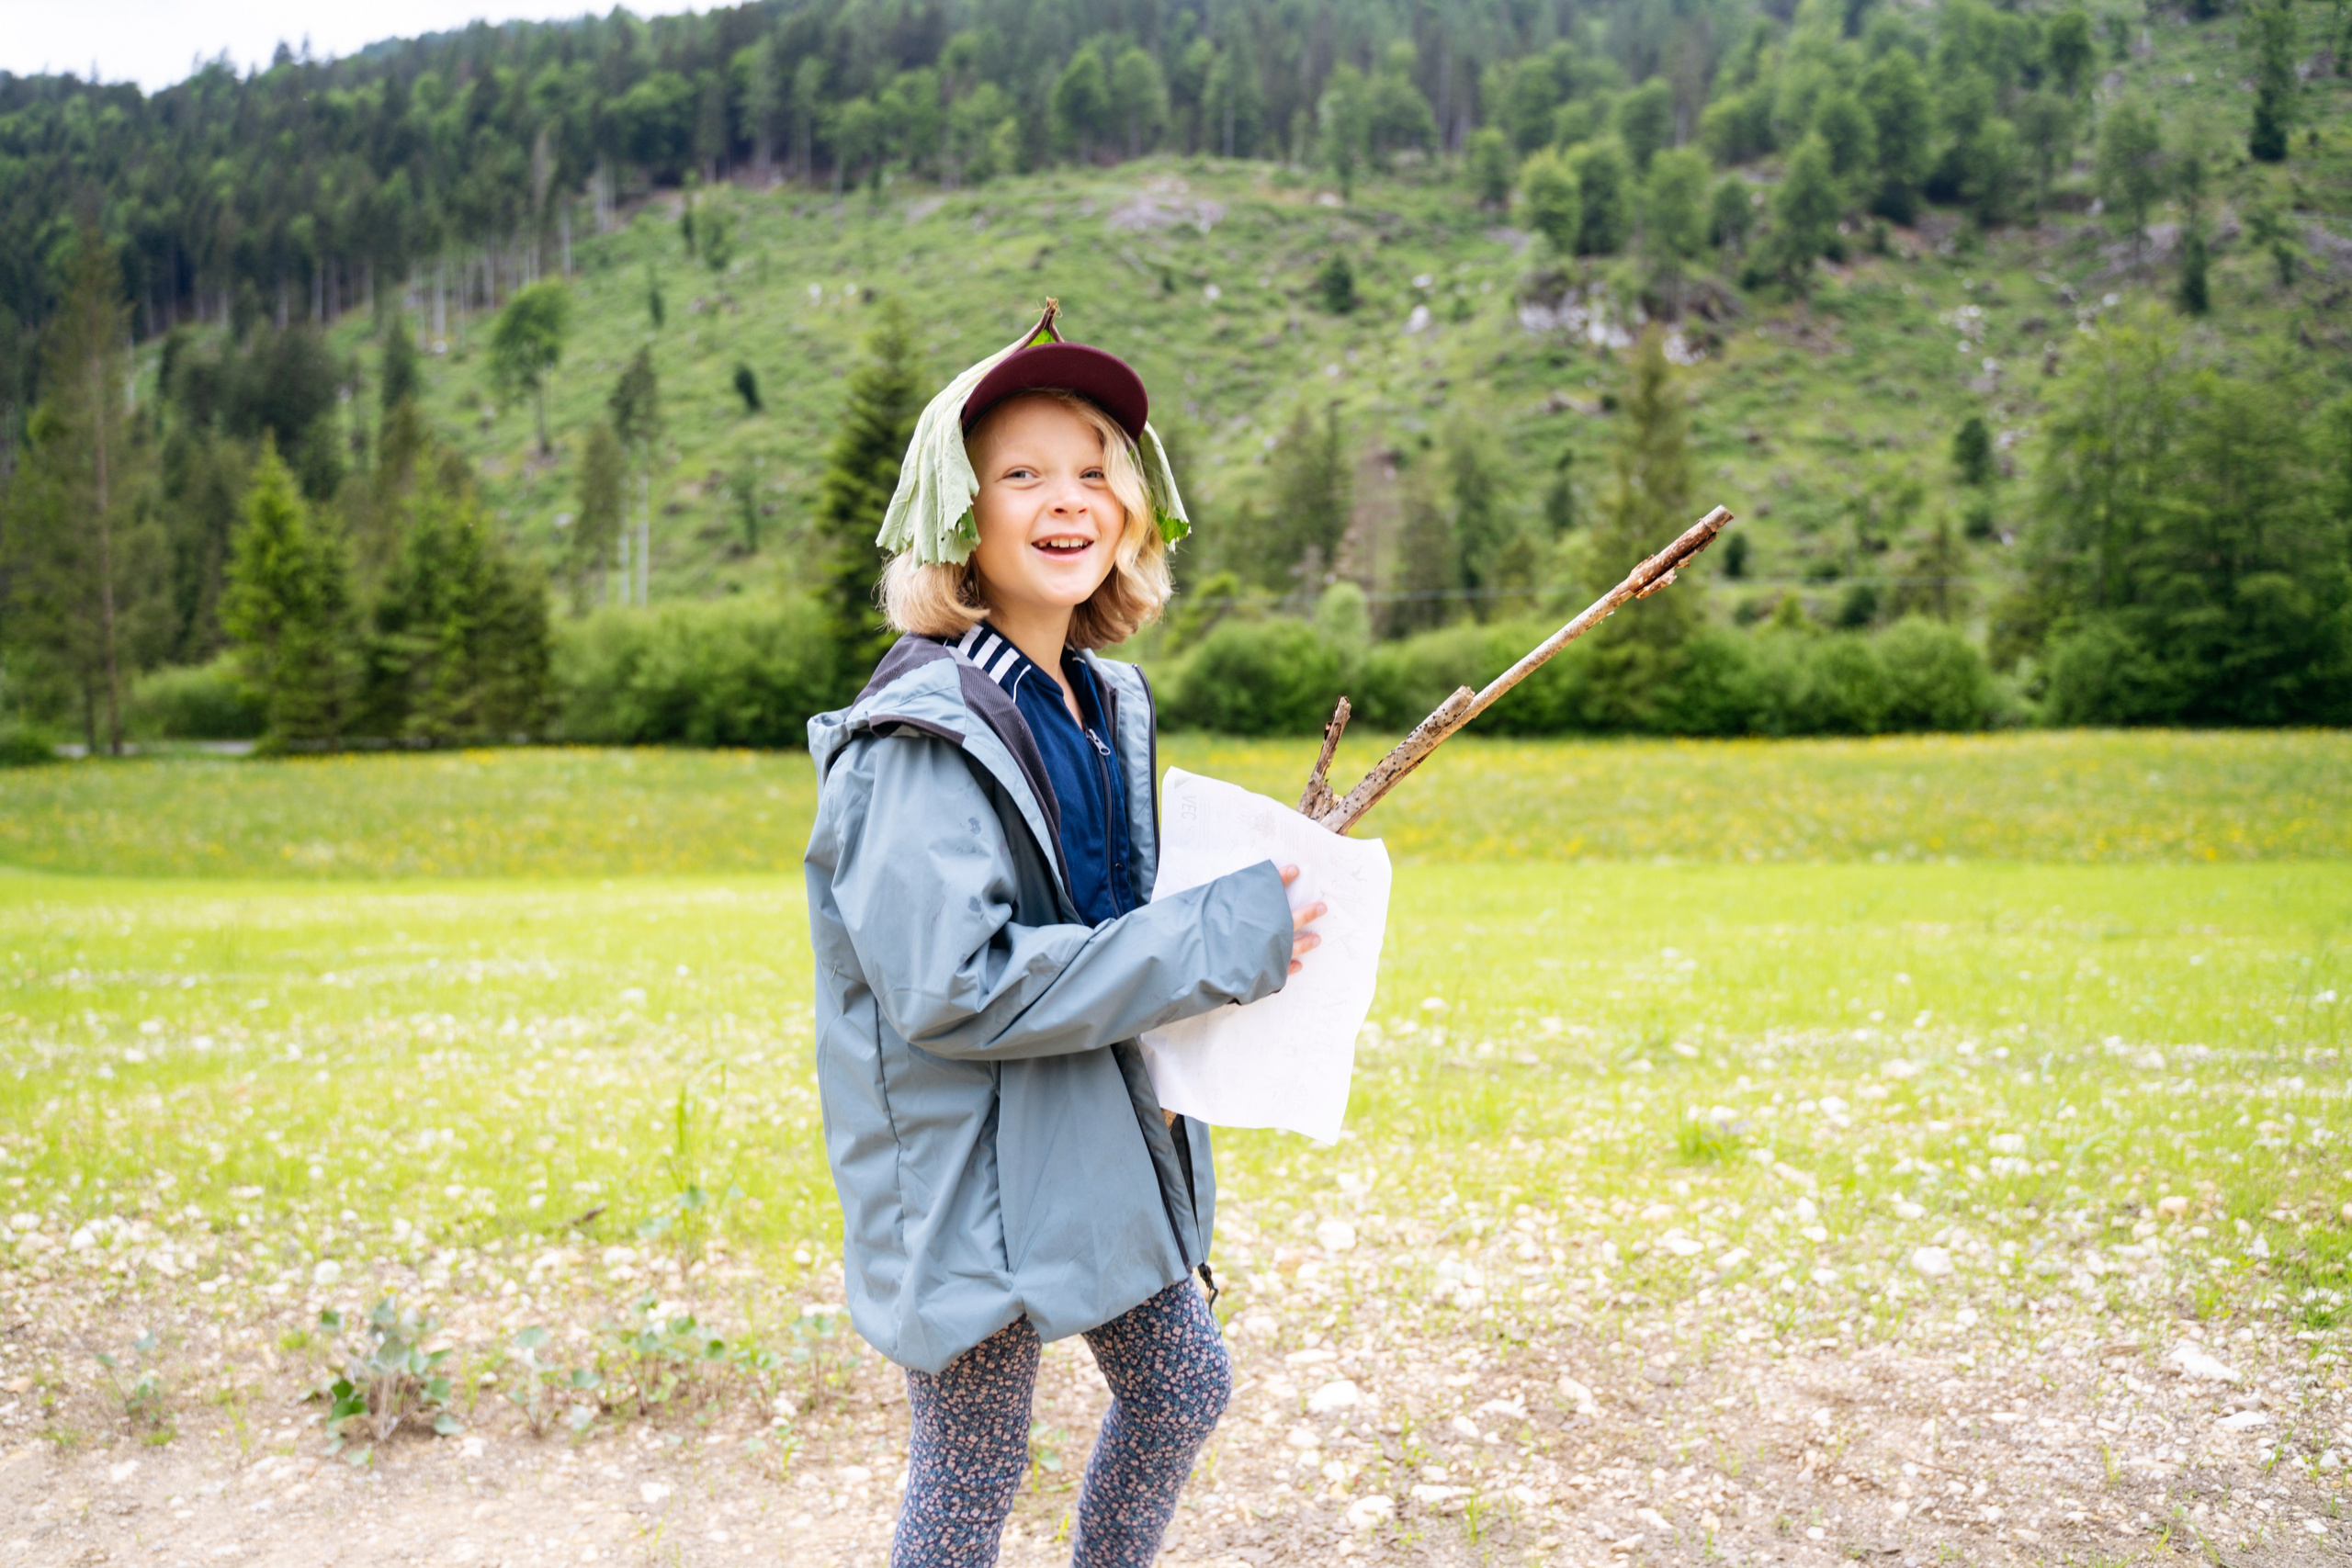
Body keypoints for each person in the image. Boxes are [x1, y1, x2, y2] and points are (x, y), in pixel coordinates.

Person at [804, 301, 1329, 1568]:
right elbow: (958, 986)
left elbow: (1102, 920)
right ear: (956, 516)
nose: (1067, 501)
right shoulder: (916, 740)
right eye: (1022, 474)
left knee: (1182, 1387)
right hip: (967, 1169)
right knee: (973, 1467)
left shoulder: (1095, 701)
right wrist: (1211, 940)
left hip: (1088, 1138)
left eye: (1095, 472)